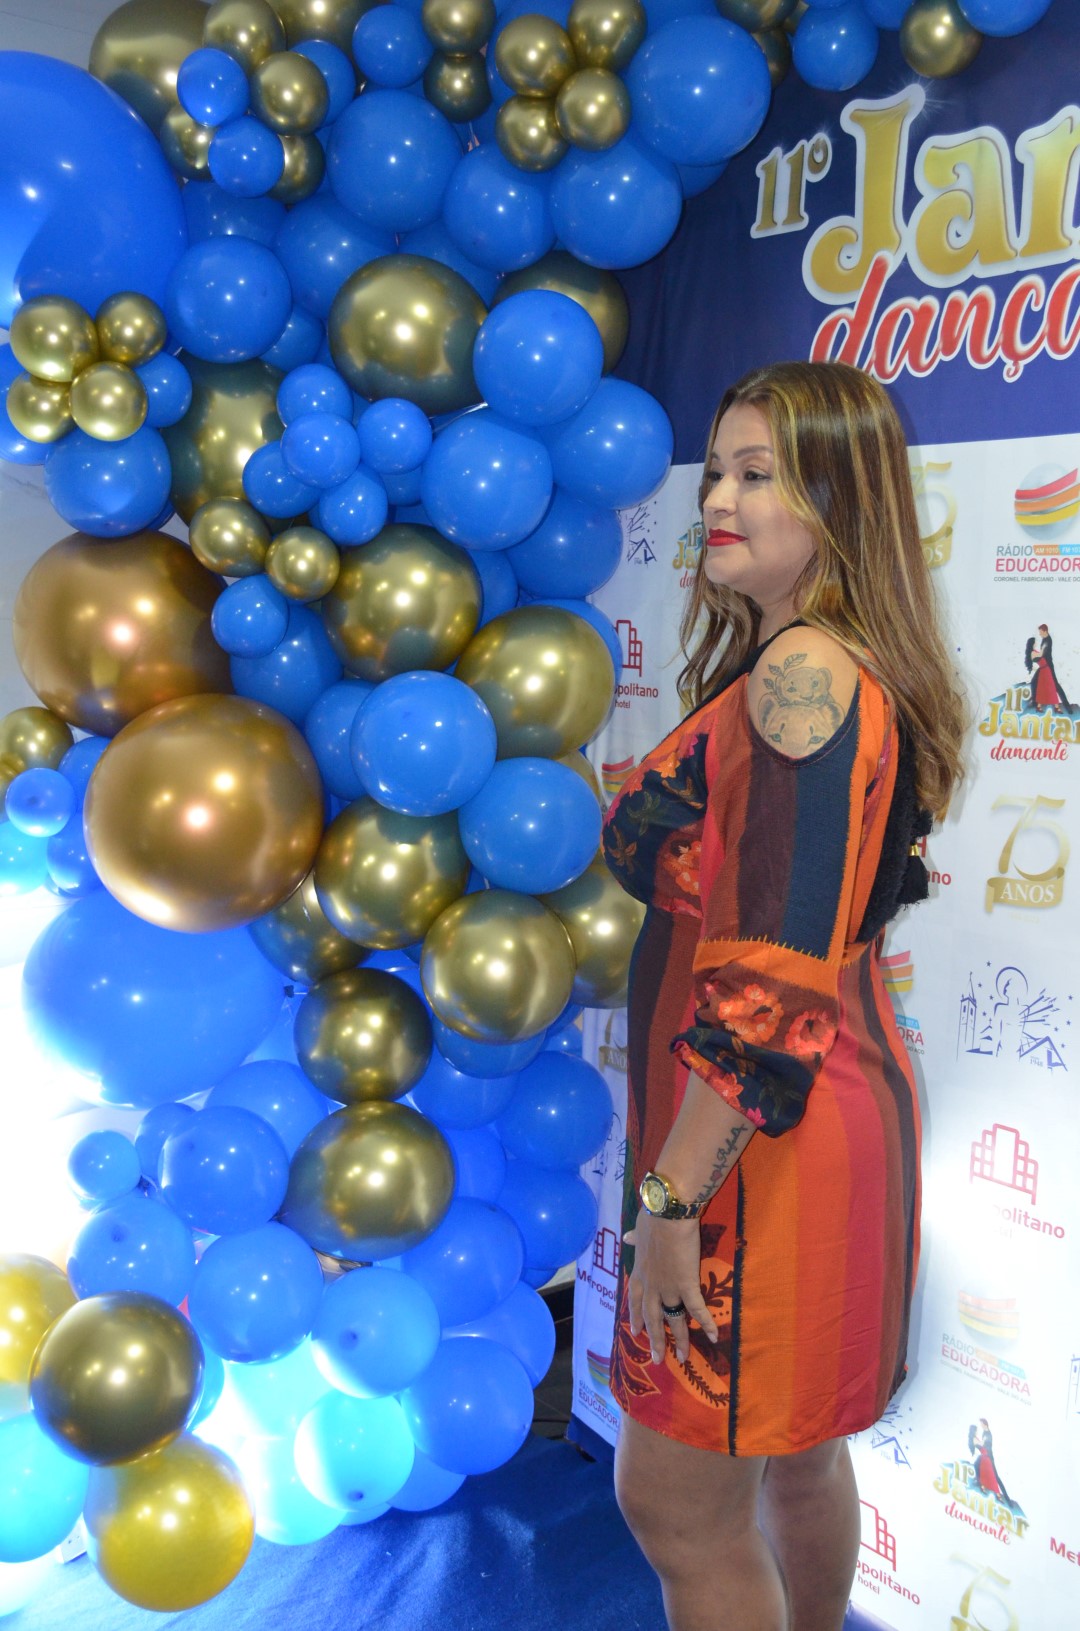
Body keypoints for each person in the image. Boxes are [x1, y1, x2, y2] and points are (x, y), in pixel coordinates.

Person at [601, 361, 967, 1631]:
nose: (718, 497)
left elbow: (767, 987)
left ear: (839, 501)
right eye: (717, 469)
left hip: (757, 1147)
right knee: (798, 1454)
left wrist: (670, 1201)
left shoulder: (802, 676)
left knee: (678, 1506)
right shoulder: (826, 663)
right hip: (809, 1120)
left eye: (760, 474)